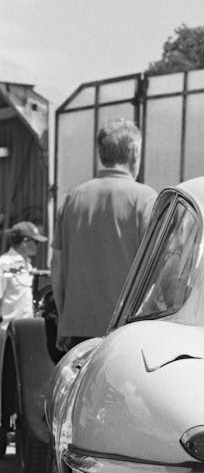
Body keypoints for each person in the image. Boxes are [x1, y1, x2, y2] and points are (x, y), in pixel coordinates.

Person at [51, 117, 157, 349]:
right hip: (125, 335)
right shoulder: (145, 199)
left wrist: (64, 321)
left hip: (77, 334)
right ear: (134, 152)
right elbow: (158, 271)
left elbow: (56, 267)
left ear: (101, 154)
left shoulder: (72, 198)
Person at [0, 221, 48, 324]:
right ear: (25, 242)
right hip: (7, 331)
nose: (38, 246)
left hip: (26, 329)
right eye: (36, 242)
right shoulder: (4, 264)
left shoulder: (28, 265)